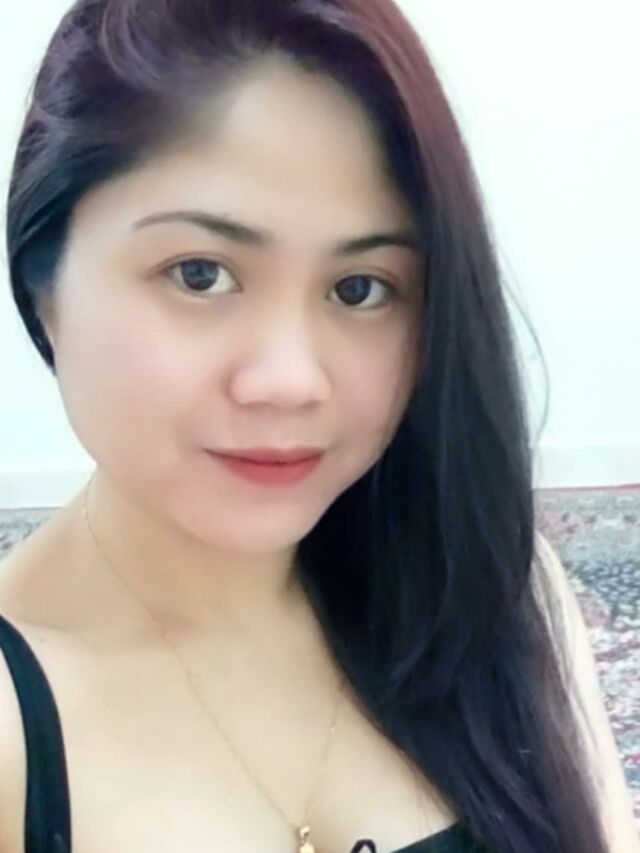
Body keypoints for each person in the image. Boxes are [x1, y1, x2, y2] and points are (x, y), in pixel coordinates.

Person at [0, 1, 637, 852]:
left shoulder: (497, 594)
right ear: (42, 279)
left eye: (360, 288)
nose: (290, 380)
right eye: (200, 274)